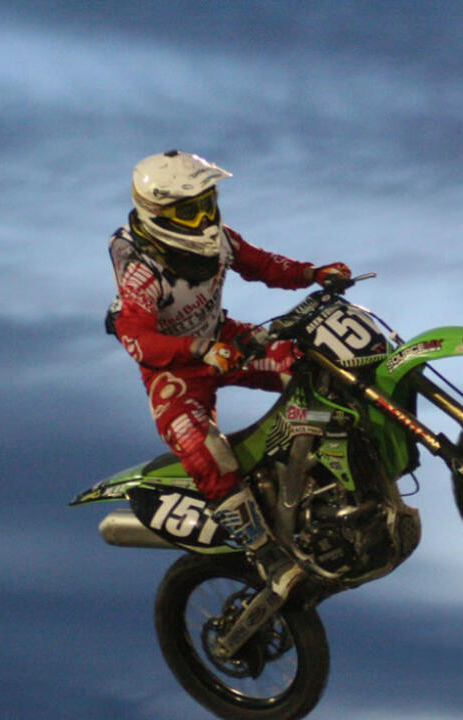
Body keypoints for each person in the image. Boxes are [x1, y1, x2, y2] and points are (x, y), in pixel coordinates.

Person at [107, 150, 349, 590]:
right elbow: (136, 340)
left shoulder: (220, 240)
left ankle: (330, 474)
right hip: (175, 373)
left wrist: (314, 273)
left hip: (227, 340)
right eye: (189, 210)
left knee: (316, 364)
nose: (204, 219)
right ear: (157, 213)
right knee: (208, 455)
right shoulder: (141, 273)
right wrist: (197, 349)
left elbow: (263, 264)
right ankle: (267, 555)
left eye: (208, 203)